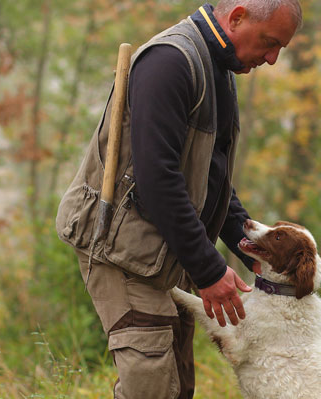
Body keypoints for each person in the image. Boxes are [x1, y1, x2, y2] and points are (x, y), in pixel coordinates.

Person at [56, 1, 301, 397]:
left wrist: (252, 246)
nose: (271, 59)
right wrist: (209, 270)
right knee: (152, 387)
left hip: (167, 251)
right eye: (269, 43)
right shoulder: (170, 62)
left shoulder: (217, 67)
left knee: (177, 387)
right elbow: (158, 181)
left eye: (280, 50)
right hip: (124, 251)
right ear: (236, 17)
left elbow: (210, 181)